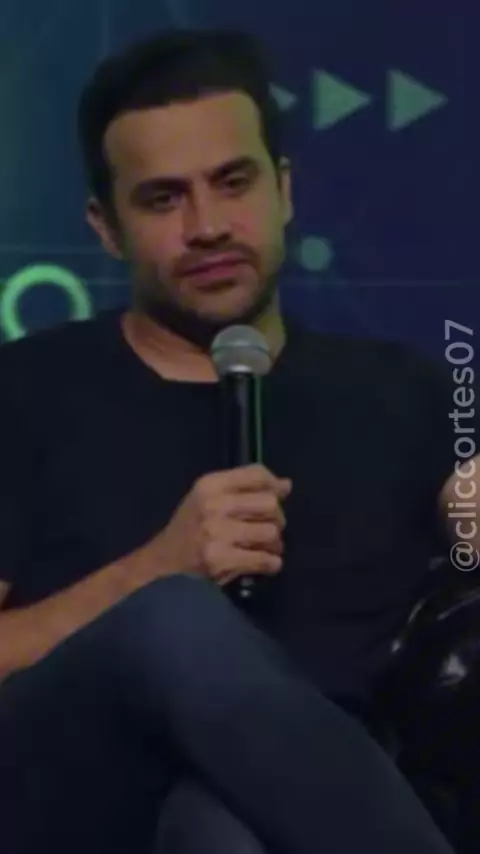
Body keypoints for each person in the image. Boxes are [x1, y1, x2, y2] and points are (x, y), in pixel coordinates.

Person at [0, 28, 475, 854]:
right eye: (163, 199)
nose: (208, 226)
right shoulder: (23, 390)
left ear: (283, 189)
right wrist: (155, 570)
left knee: (219, 824)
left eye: (233, 182)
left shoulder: (403, 390)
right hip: (81, 800)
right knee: (173, 619)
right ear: (106, 228)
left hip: (303, 810)